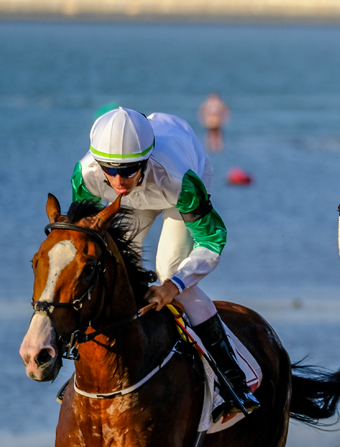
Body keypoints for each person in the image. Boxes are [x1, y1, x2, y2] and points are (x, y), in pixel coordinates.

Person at [71, 107, 258, 419]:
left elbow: (212, 239)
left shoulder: (180, 180)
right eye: (110, 169)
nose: (118, 181)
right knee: (114, 262)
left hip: (174, 187)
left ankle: (234, 377)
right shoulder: (87, 175)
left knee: (169, 268)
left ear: (145, 160)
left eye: (129, 170)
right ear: (97, 162)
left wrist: (173, 286)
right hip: (141, 196)